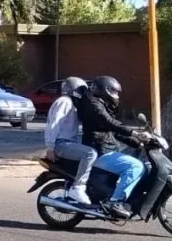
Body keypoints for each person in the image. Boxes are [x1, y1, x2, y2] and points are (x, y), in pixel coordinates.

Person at [80, 76, 147, 219]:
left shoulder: (101, 104)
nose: (116, 96)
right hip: (99, 151)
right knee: (135, 167)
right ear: (106, 90)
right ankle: (115, 202)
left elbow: (112, 132)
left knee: (141, 165)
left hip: (106, 149)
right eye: (114, 92)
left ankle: (123, 198)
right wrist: (134, 132)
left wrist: (137, 142)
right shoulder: (94, 105)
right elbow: (110, 123)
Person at [44, 76, 96, 206]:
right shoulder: (64, 101)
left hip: (67, 143)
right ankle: (78, 187)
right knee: (90, 153)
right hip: (61, 144)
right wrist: (50, 147)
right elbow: (54, 125)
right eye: (81, 90)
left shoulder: (71, 103)